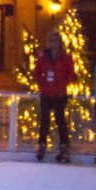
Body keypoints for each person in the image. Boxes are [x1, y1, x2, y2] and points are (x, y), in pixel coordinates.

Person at [34, 30, 75, 163]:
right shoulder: (43, 57)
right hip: (46, 93)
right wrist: (43, 85)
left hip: (60, 94)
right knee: (45, 121)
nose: (53, 44)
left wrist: (62, 83)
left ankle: (64, 146)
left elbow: (70, 74)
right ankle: (42, 145)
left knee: (60, 120)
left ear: (60, 42)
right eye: (51, 41)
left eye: (56, 41)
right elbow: (37, 73)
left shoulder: (66, 57)